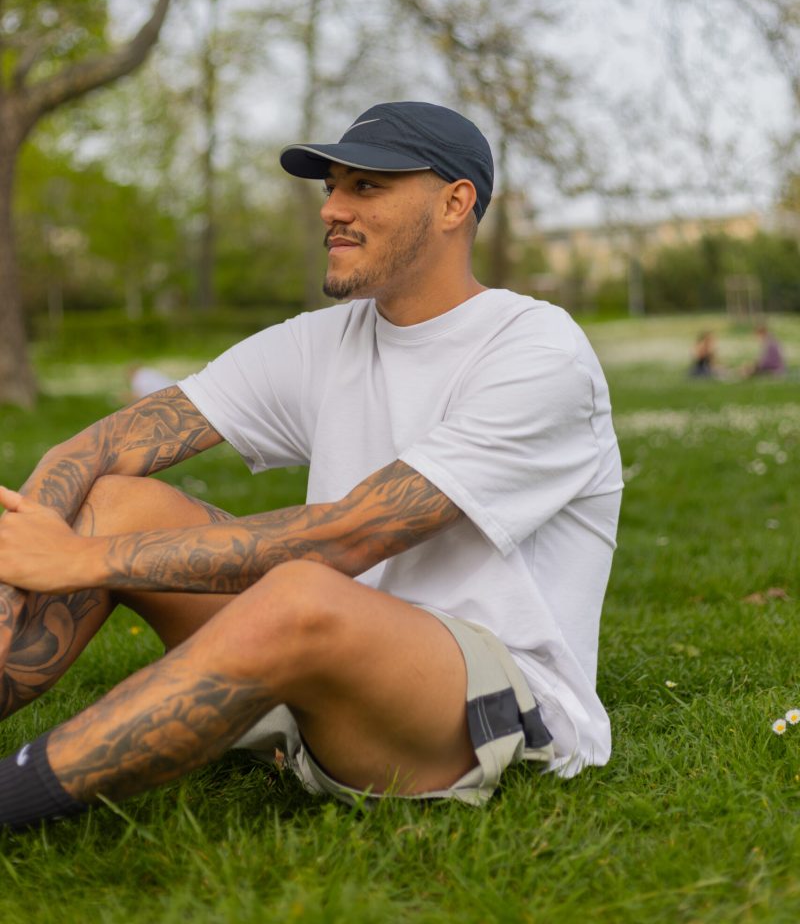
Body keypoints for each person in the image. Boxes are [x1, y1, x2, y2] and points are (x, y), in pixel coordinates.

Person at [0, 101, 623, 830]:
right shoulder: (322, 340)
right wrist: (25, 553)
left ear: (455, 203)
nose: (331, 209)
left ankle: (12, 795)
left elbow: (348, 537)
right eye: (331, 187)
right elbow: (99, 446)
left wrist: (81, 560)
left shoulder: (538, 352)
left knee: (301, 589)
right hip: (322, 670)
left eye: (367, 187)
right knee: (114, 500)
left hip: (478, 703)